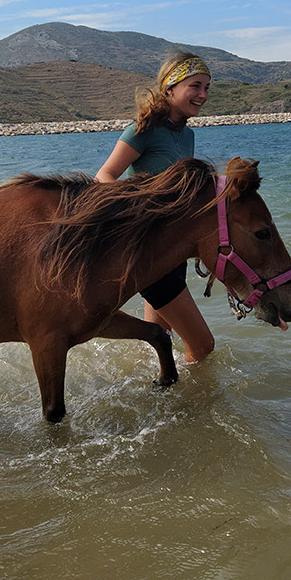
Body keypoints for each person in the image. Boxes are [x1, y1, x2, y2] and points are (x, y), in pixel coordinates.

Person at [95, 52, 215, 362]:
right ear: (171, 88)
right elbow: (104, 176)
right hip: (149, 253)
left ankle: (153, 393)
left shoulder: (187, 135)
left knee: (157, 343)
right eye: (195, 86)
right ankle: (193, 406)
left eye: (206, 88)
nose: (202, 95)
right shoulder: (144, 129)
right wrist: (139, 211)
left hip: (173, 253)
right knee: (202, 346)